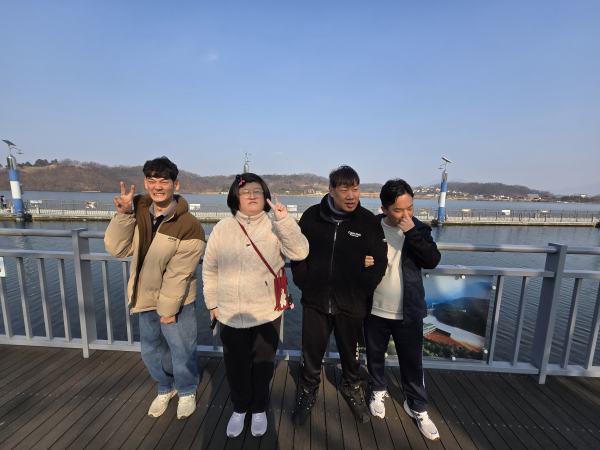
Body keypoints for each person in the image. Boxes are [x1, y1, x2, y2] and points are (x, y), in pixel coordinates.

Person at [202, 173, 309, 438]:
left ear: (266, 196)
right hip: (230, 312)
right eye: (245, 191)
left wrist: (284, 221)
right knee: (235, 365)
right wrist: (212, 302)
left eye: (257, 191)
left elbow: (300, 252)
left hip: (266, 312)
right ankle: (240, 408)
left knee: (263, 364)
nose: (251, 195)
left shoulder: (275, 226)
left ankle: (259, 408)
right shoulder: (222, 228)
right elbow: (210, 268)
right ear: (235, 197)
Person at [104, 156, 205, 420]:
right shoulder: (139, 210)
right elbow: (118, 249)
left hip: (177, 301)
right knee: (151, 351)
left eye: (164, 180)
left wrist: (168, 310)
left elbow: (180, 273)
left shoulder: (189, 224)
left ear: (175, 184)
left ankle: (186, 390)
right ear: (145, 182)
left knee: (181, 350)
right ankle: (165, 386)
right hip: (144, 296)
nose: (157, 186)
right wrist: (123, 214)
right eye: (151, 180)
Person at [290, 165, 388, 426]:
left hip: (352, 303)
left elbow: (379, 262)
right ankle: (308, 391)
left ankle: (351, 387)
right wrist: (305, 283)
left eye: (355, 189)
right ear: (331, 190)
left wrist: (360, 291)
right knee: (311, 353)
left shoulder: (367, 222)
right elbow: (298, 255)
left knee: (350, 353)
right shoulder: (311, 217)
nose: (351, 195)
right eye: (344, 189)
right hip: (315, 300)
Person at [363, 179, 441, 440]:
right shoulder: (369, 227)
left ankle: (417, 406)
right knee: (375, 355)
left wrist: (412, 234)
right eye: (398, 210)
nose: (406, 215)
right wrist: (360, 261)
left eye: (410, 208)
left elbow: (432, 260)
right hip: (374, 307)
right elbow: (350, 256)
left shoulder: (419, 229)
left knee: (412, 361)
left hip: (409, 309)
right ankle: (378, 389)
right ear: (384, 208)